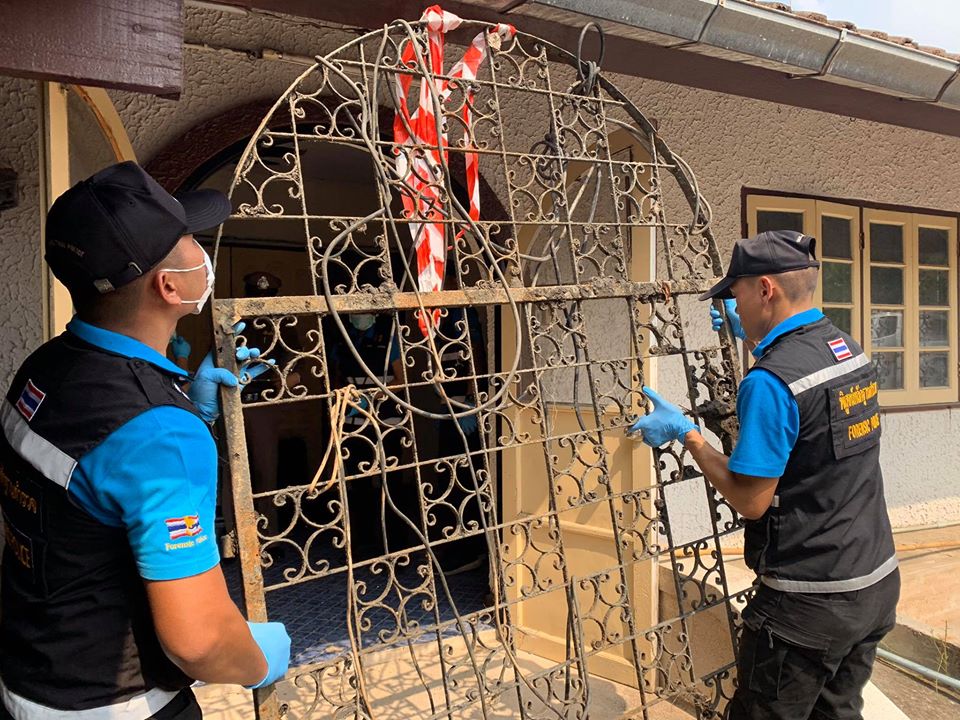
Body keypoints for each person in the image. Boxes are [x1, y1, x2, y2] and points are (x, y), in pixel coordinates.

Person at [0, 162, 290, 719]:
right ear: (169, 284)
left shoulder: (46, 365)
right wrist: (257, 660)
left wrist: (188, 406)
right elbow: (199, 641)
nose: (201, 251)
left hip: (32, 671)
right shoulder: (158, 432)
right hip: (116, 705)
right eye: (190, 240)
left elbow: (97, 489)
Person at [629, 230, 899, 720]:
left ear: (765, 290)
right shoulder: (845, 347)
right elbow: (809, 411)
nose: (733, 302)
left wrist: (687, 434)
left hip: (807, 605)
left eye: (736, 294)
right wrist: (751, 333)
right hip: (873, 583)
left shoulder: (770, 382)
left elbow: (750, 500)